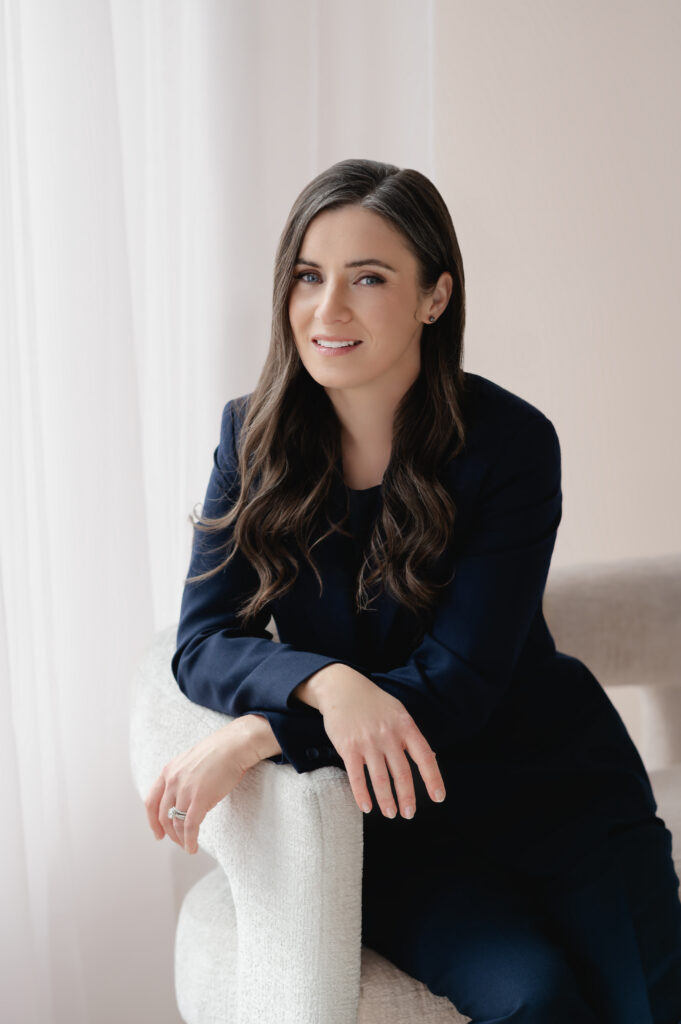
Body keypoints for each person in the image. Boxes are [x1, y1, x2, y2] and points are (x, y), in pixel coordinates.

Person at [144, 158, 681, 1023]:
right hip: (396, 823)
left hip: (559, 801)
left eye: (369, 278)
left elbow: (460, 685)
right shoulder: (250, 438)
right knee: (535, 1003)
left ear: (435, 296)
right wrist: (326, 683)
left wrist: (260, 730)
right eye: (309, 276)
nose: (329, 309)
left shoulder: (510, 444)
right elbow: (201, 640)